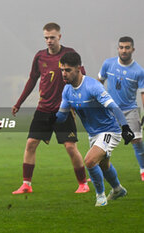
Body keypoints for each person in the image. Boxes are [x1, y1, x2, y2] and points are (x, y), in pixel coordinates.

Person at [11, 22, 89, 194]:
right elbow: (32, 80)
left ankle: (83, 183)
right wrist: (19, 102)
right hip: (43, 109)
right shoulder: (40, 57)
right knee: (31, 143)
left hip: (63, 109)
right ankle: (26, 185)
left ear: (59, 37)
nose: (49, 41)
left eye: (52, 37)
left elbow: (82, 78)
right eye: (46, 38)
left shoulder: (70, 54)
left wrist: (80, 102)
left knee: (70, 147)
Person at [56, 52, 134, 206]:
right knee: (104, 165)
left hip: (109, 131)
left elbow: (114, 107)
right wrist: (49, 119)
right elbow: (62, 116)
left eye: (68, 70)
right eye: (62, 70)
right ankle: (118, 189)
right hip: (93, 133)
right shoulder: (67, 91)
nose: (64, 74)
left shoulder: (93, 86)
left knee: (90, 161)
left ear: (78, 69)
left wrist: (125, 127)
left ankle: (100, 196)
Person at [98, 36, 144, 181]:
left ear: (133, 49)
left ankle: (143, 170)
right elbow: (99, 82)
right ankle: (98, 171)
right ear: (118, 49)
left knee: (136, 141)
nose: (124, 50)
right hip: (110, 110)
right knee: (102, 142)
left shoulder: (139, 71)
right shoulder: (108, 64)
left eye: (127, 47)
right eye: (121, 47)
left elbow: (143, 93)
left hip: (130, 110)